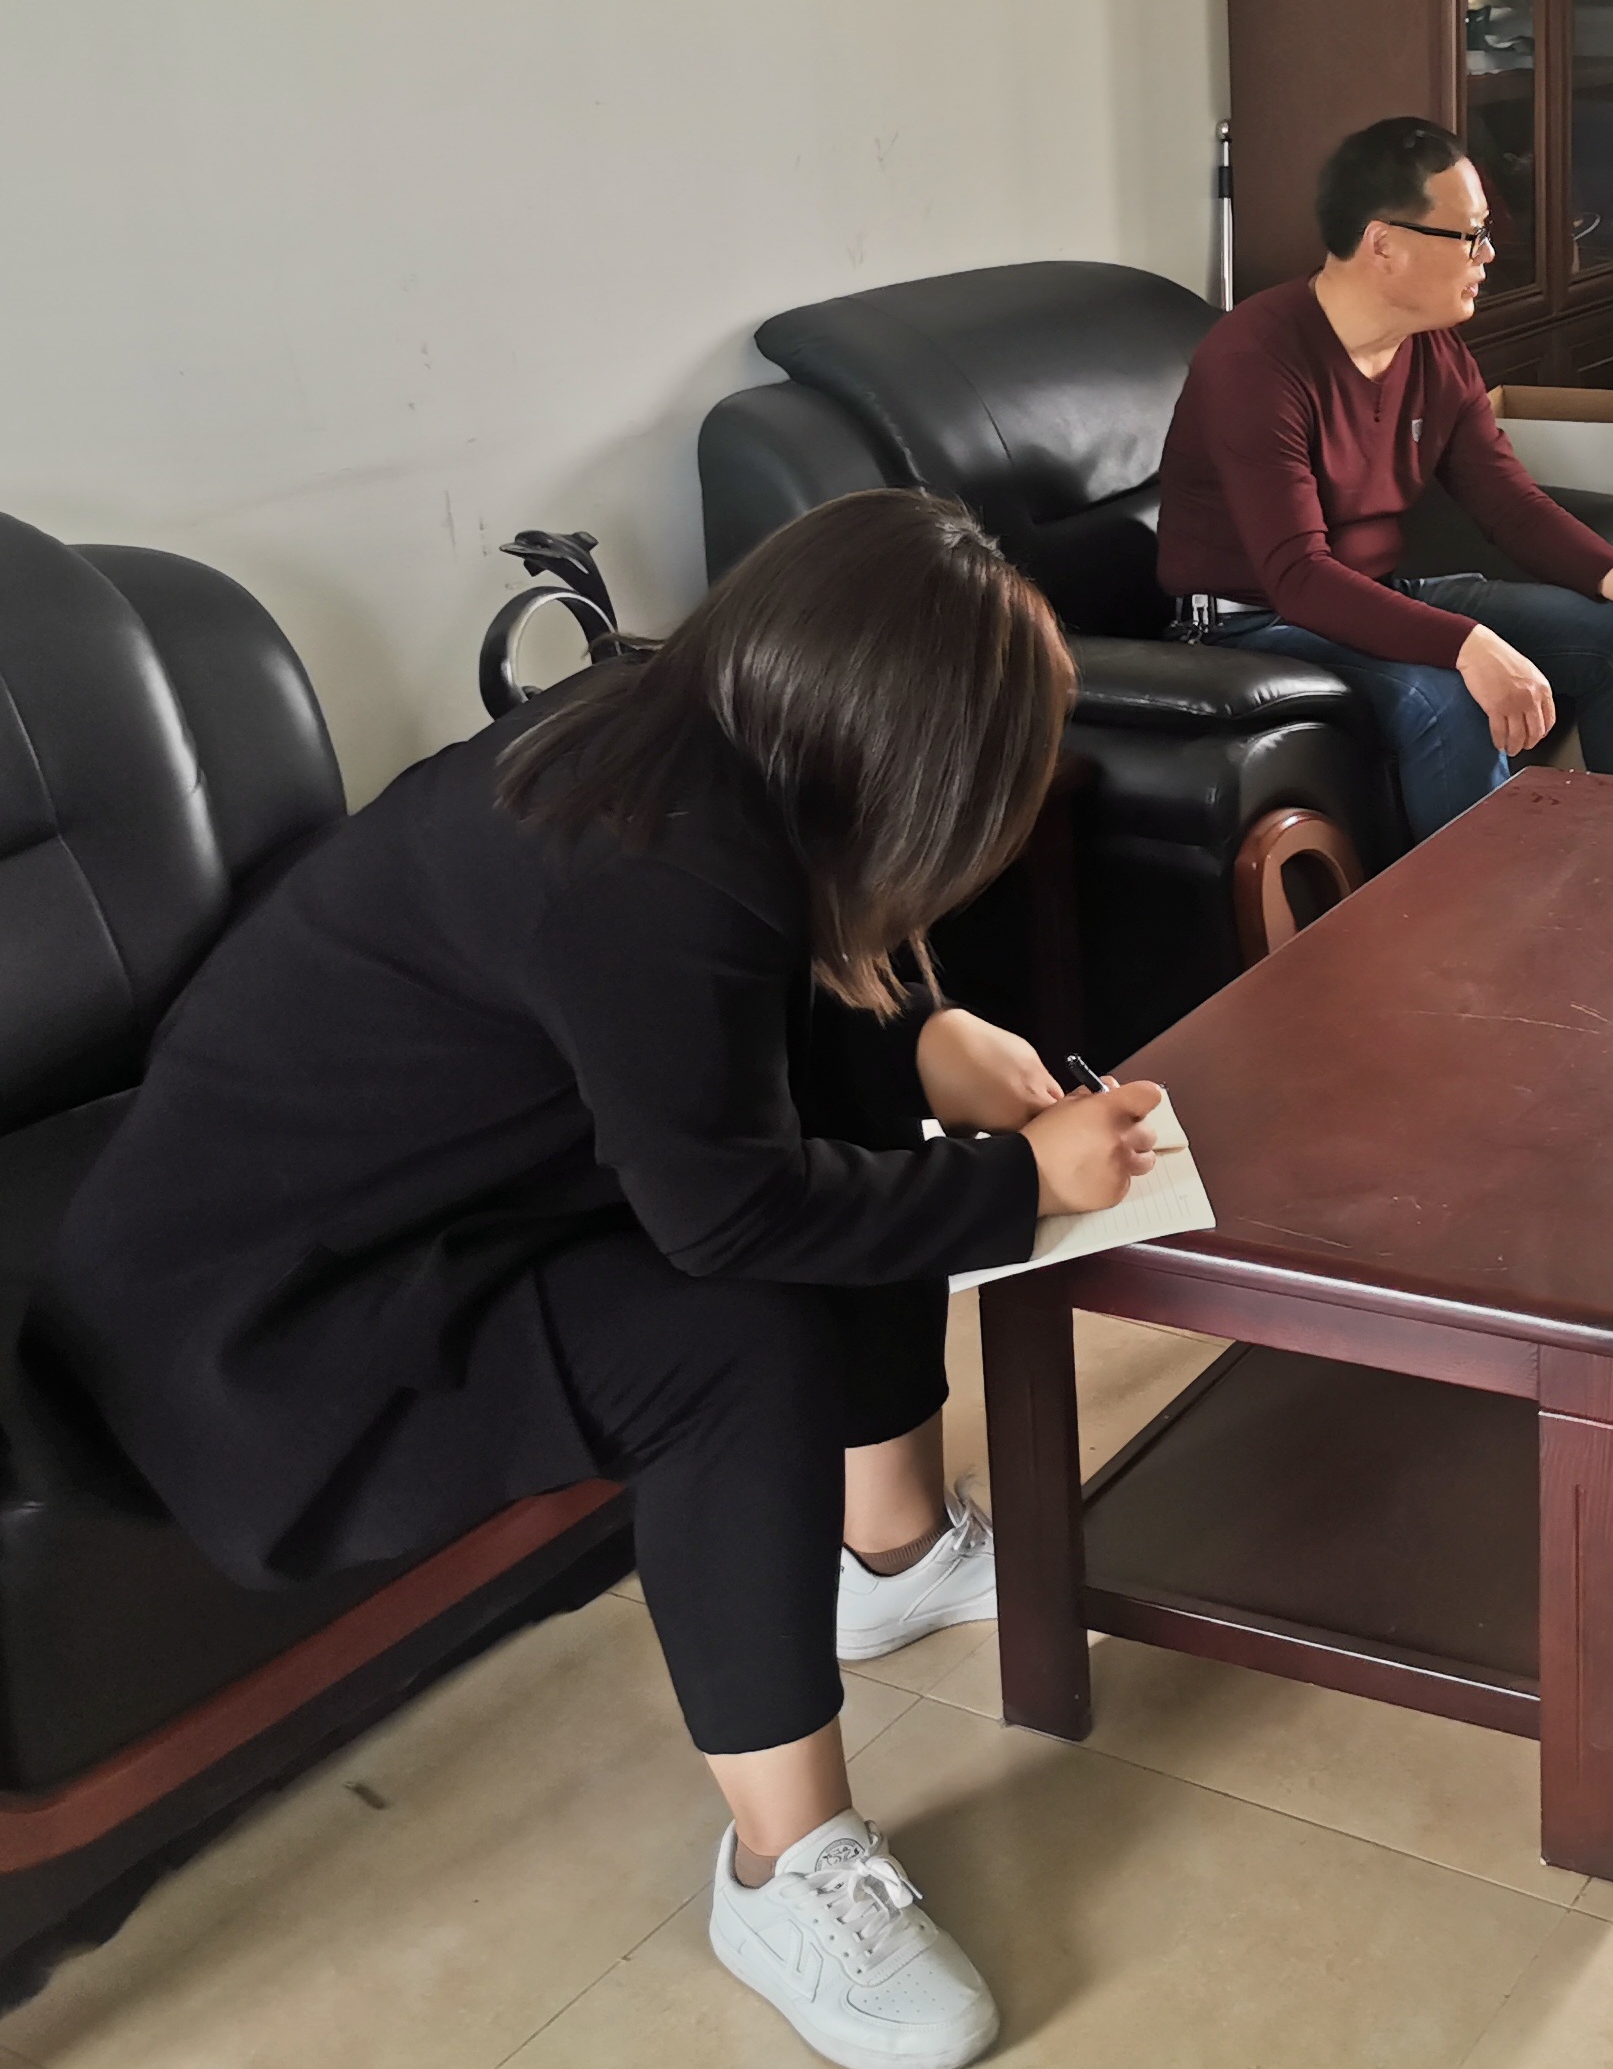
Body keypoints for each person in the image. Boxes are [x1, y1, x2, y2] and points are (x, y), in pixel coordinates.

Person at [40, 491, 1162, 2069]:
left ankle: (893, 1553)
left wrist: (926, 1037)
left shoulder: (701, 741)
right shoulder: (646, 865)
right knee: (735, 1340)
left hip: (443, 1198)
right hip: (271, 1321)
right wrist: (1020, 1181)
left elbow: (759, 1019)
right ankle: (785, 1869)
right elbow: (733, 1222)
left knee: (854, 1105)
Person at [1156, 116, 1613, 846]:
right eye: (1470, 235)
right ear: (1384, 244)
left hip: (1376, 593)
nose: (1488, 254)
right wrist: (1469, 644)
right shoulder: (1256, 361)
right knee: (1454, 696)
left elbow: (1510, 505)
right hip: (1251, 621)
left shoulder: (1433, 353)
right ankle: (1485, 915)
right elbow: (1298, 578)